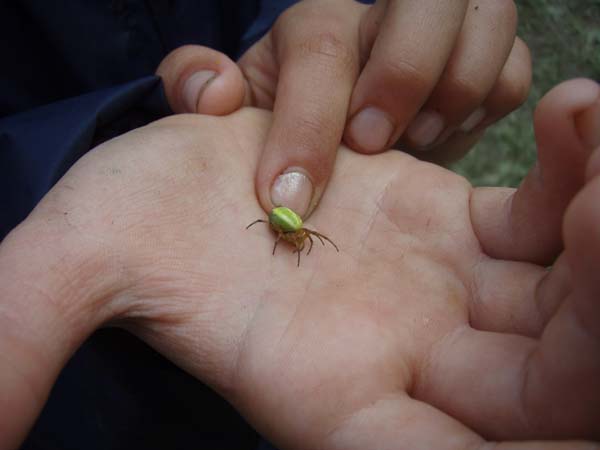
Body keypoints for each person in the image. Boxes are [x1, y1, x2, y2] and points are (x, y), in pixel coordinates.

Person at [0, 0, 532, 448]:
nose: (302, 239)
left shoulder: (293, 229)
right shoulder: (284, 230)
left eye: (301, 235)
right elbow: (280, 230)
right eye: (300, 236)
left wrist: (325, 36)